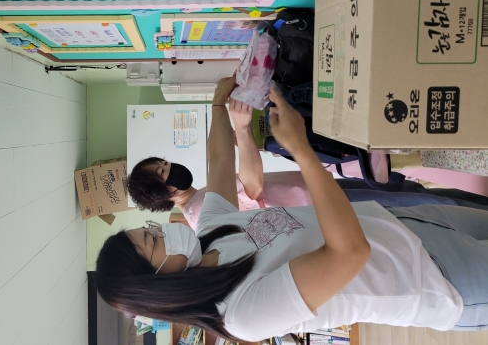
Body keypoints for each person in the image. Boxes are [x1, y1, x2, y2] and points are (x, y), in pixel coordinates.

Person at [95, 78, 488, 341]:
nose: (162, 231)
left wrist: (218, 102)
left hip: (405, 225)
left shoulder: (212, 232)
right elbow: (349, 252)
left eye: (150, 228)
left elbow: (219, 162)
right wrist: (300, 150)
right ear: (156, 284)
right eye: (152, 241)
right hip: (434, 280)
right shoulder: (240, 313)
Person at [127, 100, 488, 230]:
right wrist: (243, 131)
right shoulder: (200, 211)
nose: (169, 167)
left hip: (317, 189)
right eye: (162, 172)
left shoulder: (200, 197)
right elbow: (253, 188)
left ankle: (475, 205)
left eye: (163, 162)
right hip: (320, 205)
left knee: (404, 190)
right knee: (418, 205)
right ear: (163, 194)